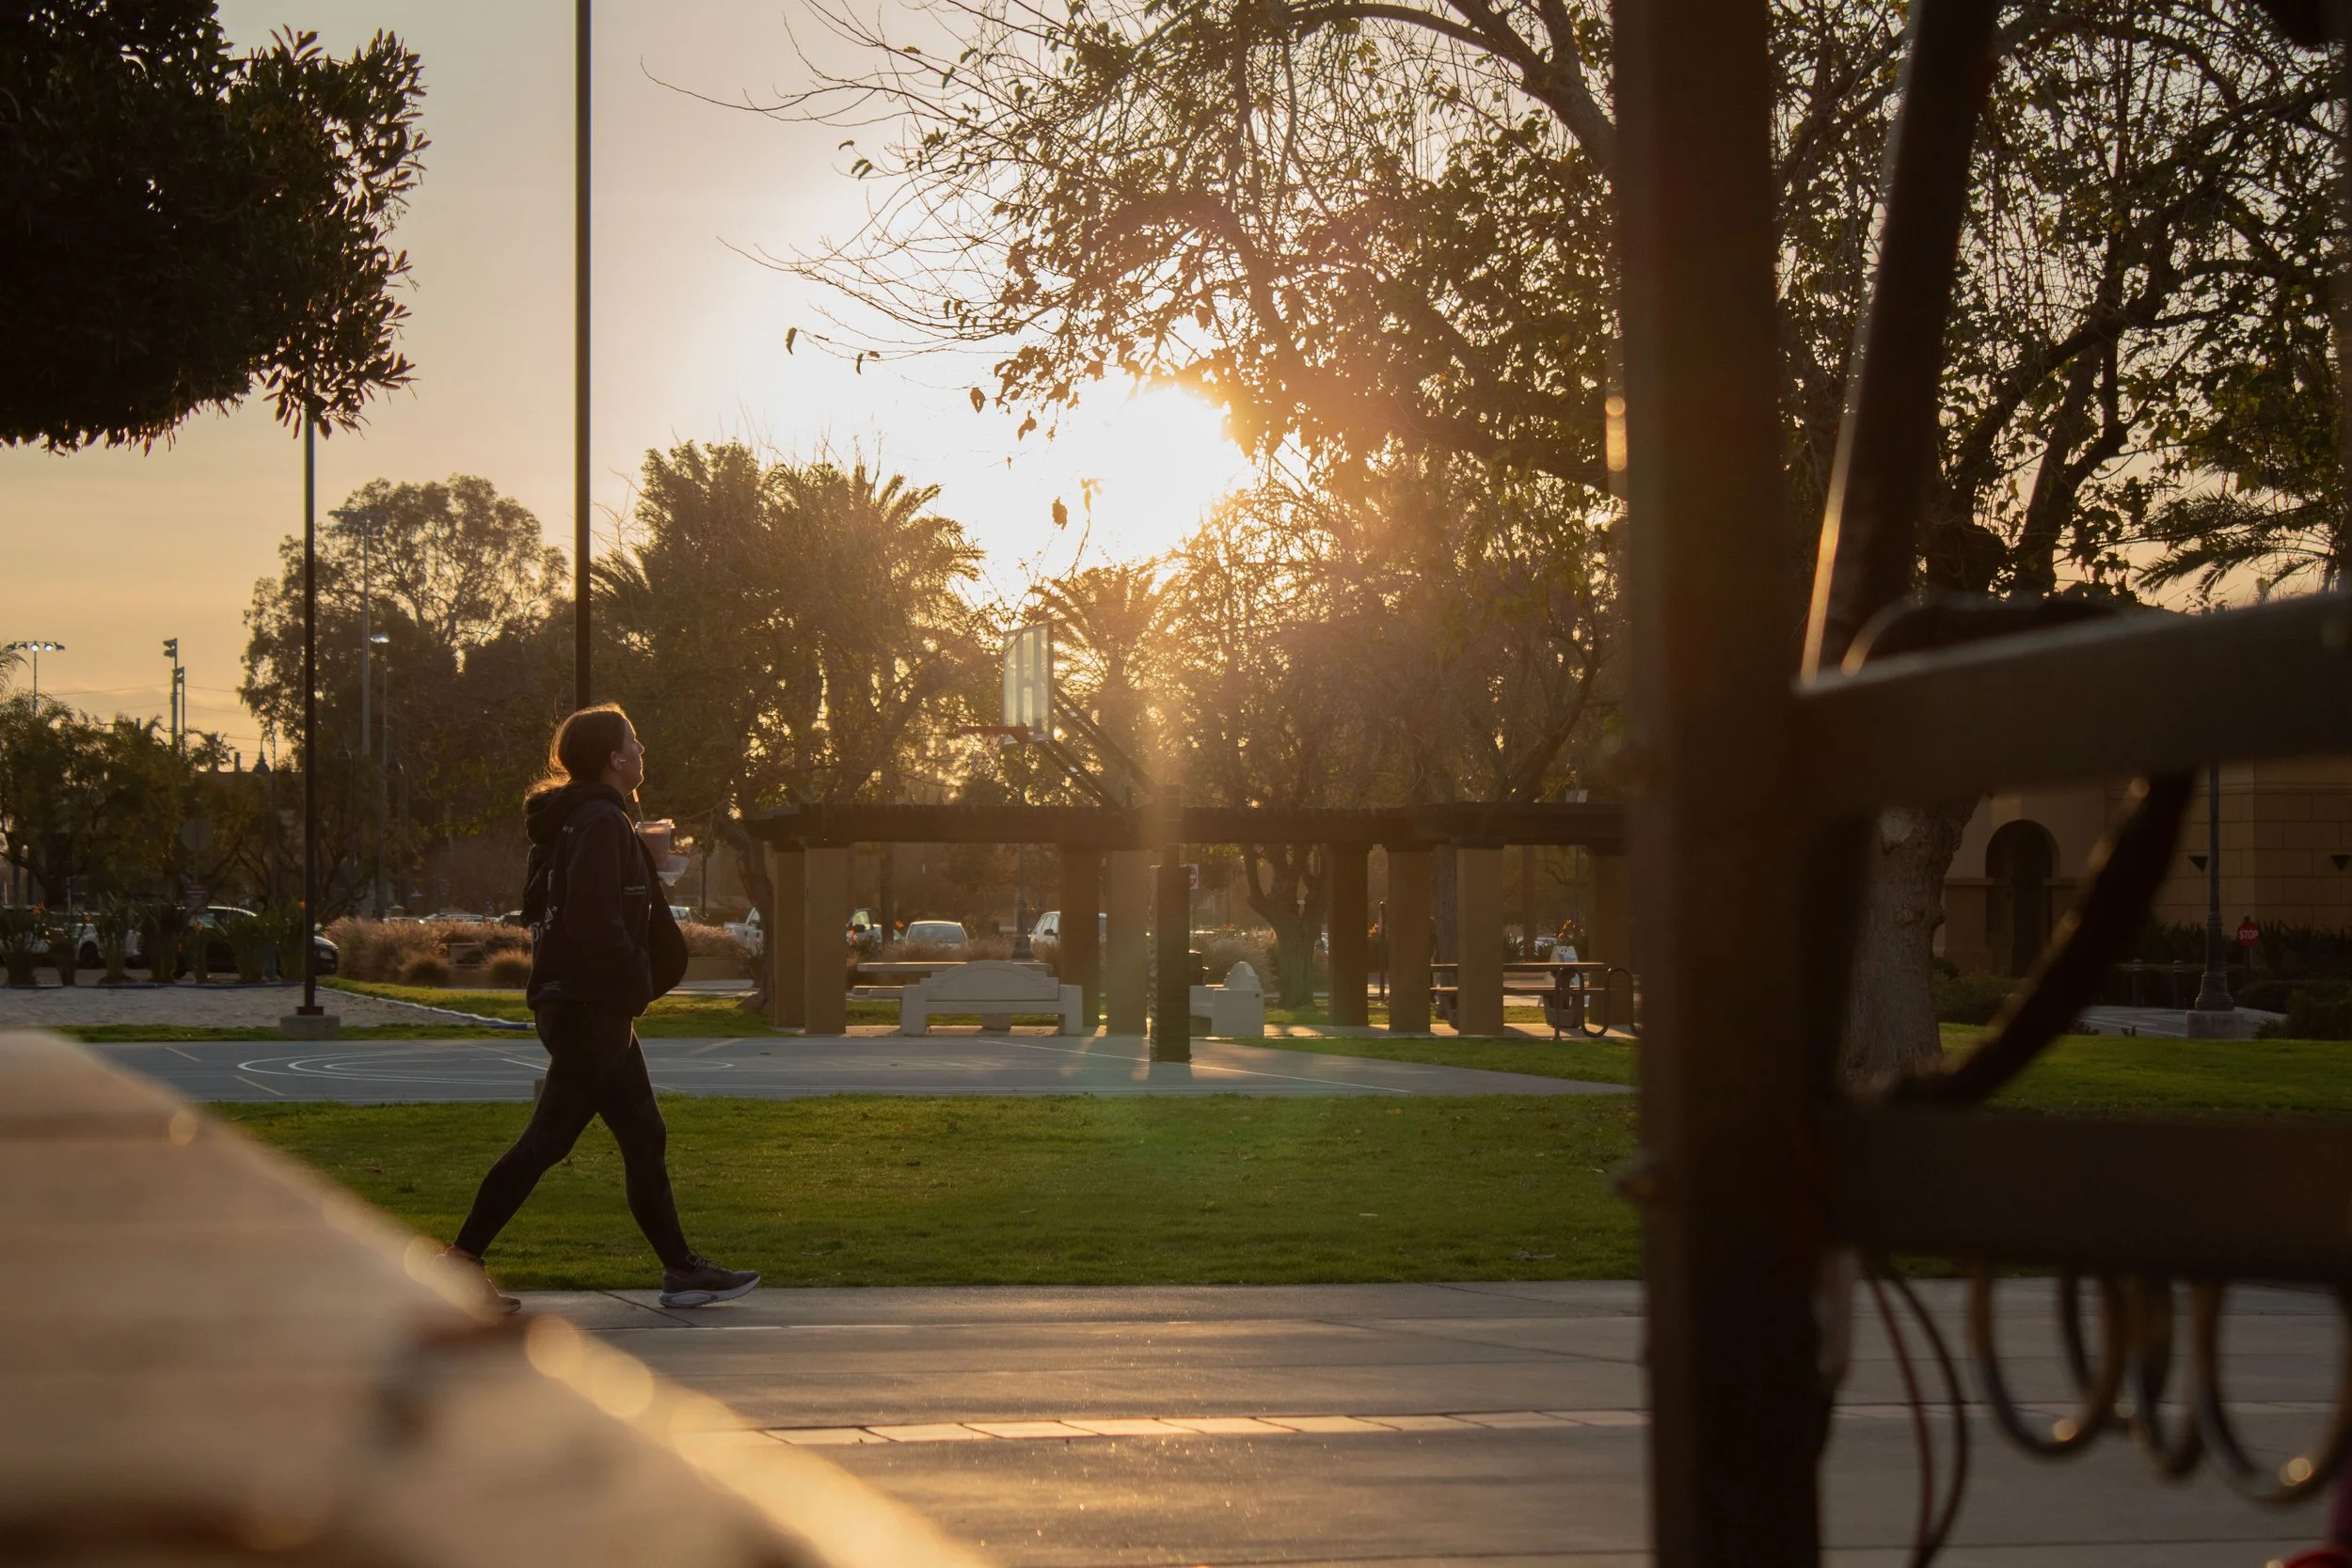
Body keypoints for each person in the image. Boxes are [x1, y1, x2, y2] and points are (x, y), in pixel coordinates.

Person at [438, 704, 758, 1312]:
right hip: (590, 1007)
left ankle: (681, 1269)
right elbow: (592, 919)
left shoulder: (574, 823)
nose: (642, 750)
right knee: (547, 1140)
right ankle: (457, 1263)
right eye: (634, 740)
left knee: (644, 1135)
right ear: (616, 758)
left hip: (583, 1003)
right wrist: (632, 977)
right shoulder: (599, 823)